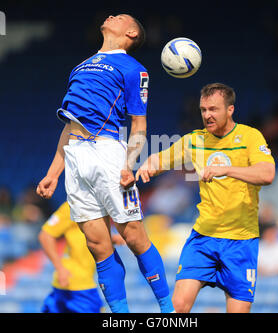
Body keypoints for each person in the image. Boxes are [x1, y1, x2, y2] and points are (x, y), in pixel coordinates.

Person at [36, 14, 174, 313]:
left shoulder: (134, 69)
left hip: (107, 152)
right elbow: (69, 125)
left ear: (131, 31)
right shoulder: (80, 66)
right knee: (98, 246)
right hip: (75, 157)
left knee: (133, 235)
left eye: (120, 16)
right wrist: (53, 173)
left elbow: (139, 124)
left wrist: (129, 163)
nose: (111, 15)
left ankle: (168, 310)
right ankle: (120, 316)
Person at [136, 83, 276, 313]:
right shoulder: (195, 141)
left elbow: (267, 174)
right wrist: (146, 166)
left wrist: (228, 170)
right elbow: (159, 159)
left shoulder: (250, 137)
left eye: (213, 109)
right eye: (203, 110)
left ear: (230, 109)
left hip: (241, 242)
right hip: (203, 238)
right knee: (177, 308)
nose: (207, 115)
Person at [39, 201, 123, 313]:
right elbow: (45, 235)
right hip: (76, 284)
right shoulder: (72, 205)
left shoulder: (97, 204)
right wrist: (60, 269)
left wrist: (111, 239)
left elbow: (86, 235)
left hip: (73, 283)